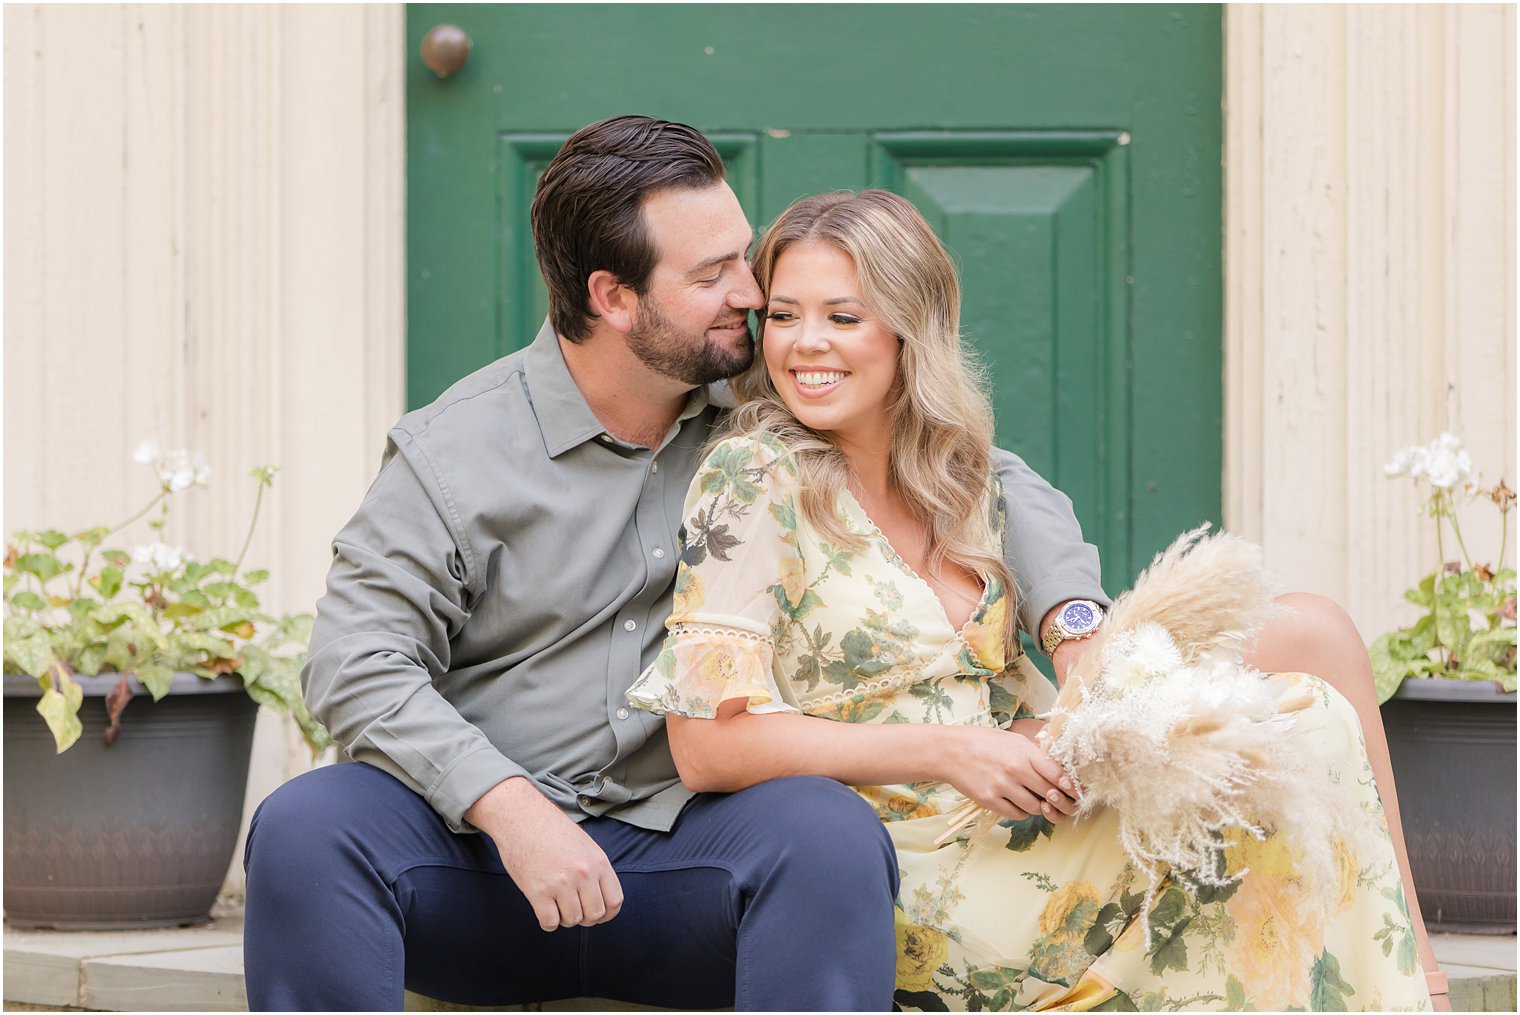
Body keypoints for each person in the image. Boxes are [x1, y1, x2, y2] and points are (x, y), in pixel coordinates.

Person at [240, 116, 1108, 1011]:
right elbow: (356, 659)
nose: (752, 293)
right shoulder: (453, 453)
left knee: (826, 832)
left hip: (692, 856)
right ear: (616, 298)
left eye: (744, 257)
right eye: (713, 274)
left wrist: (1072, 622)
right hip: (482, 868)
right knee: (308, 826)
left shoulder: (765, 401)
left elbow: (975, 470)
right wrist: (507, 805)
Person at [625, 189, 1434, 1011]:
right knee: (1300, 729)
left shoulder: (959, 477)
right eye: (787, 316)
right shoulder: (755, 478)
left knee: (1307, 692)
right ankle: (1417, 990)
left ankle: (1416, 981)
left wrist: (1078, 684)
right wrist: (949, 750)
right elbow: (707, 747)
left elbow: (1041, 542)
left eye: (844, 317)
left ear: (910, 329)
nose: (806, 345)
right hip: (912, 862)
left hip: (1030, 804)